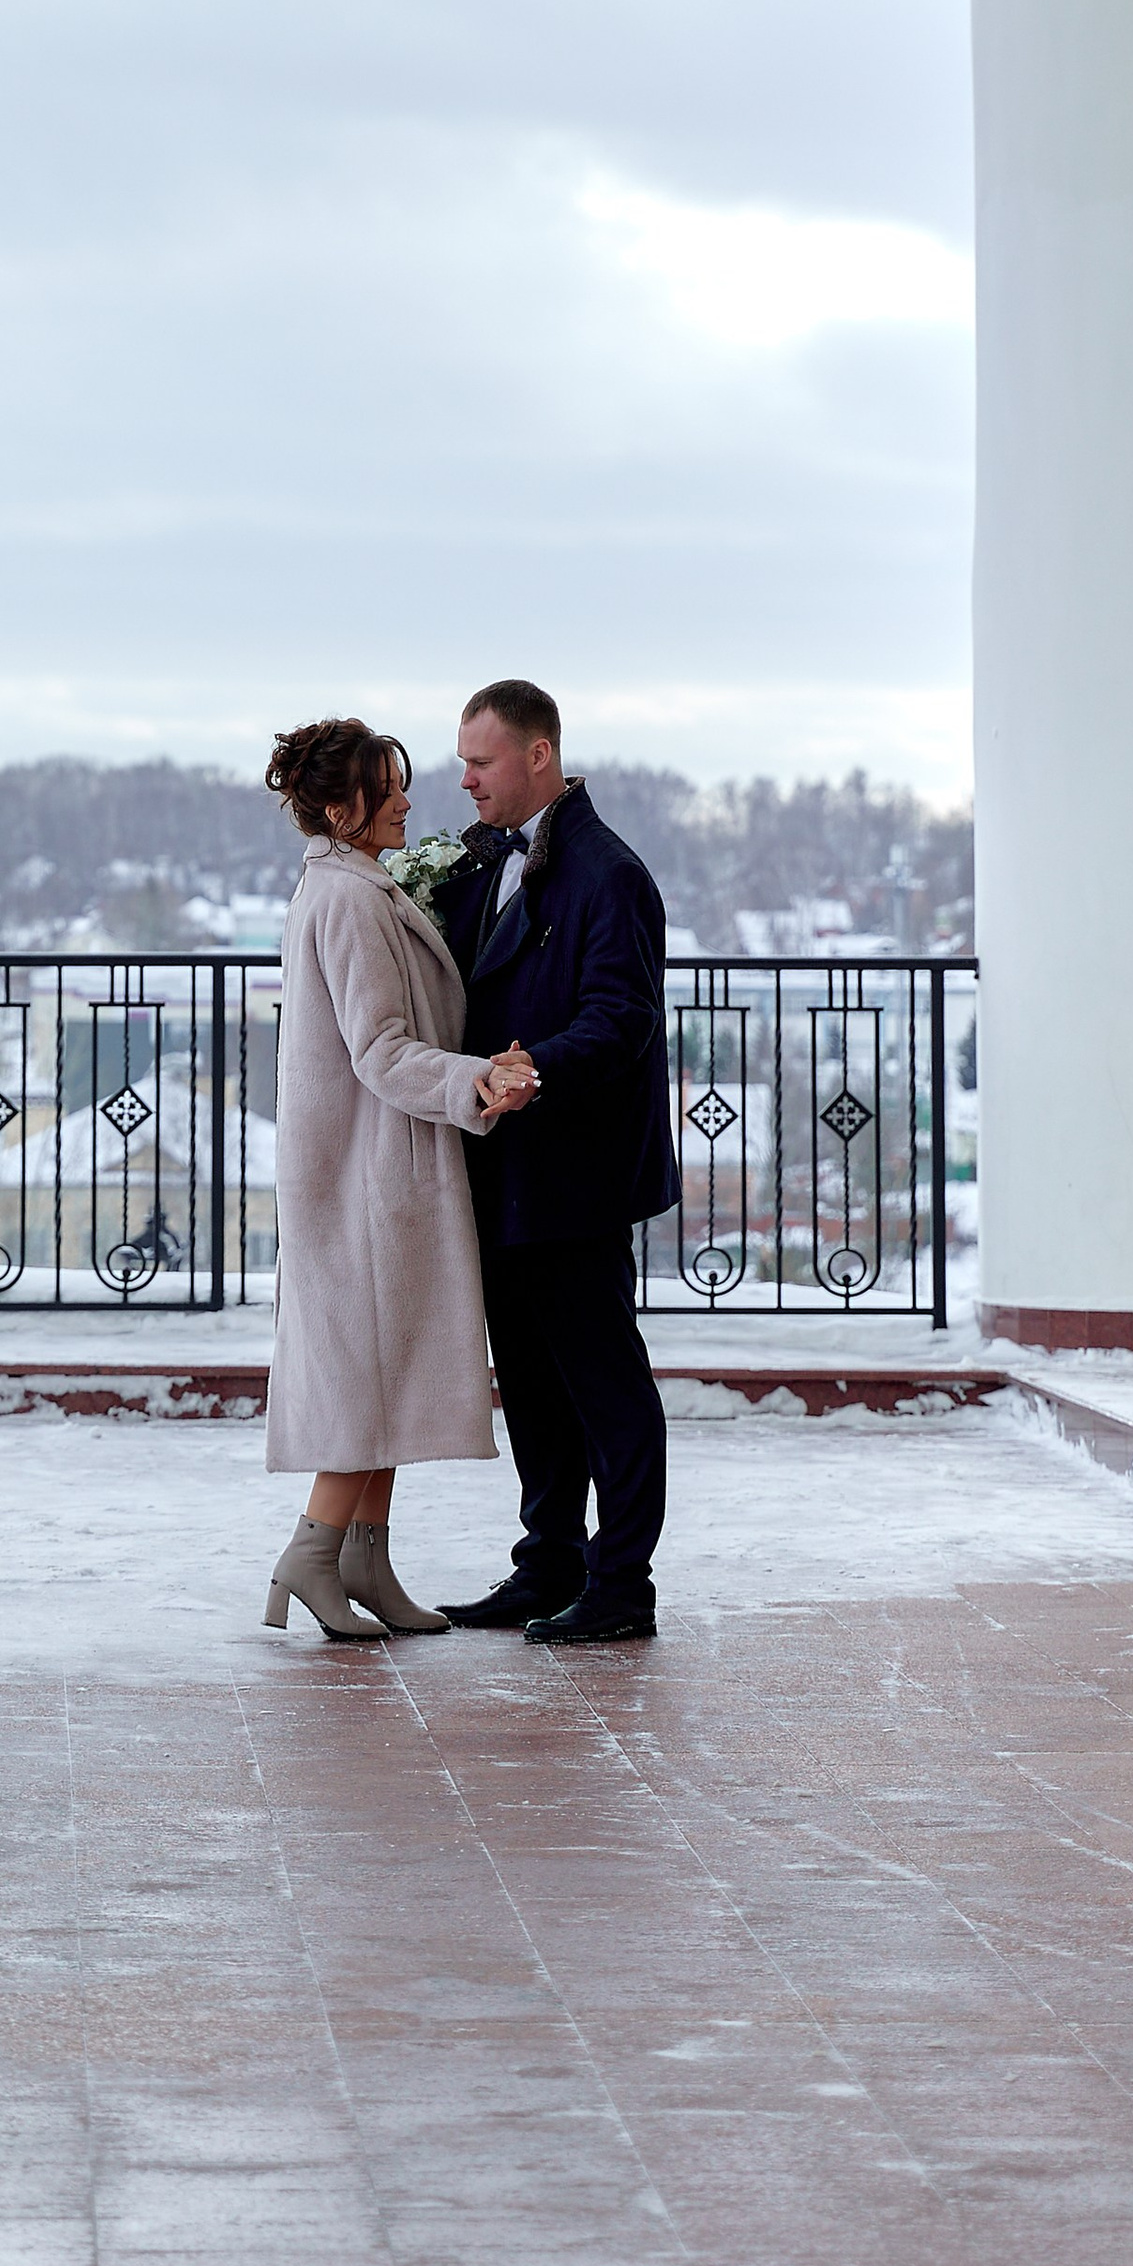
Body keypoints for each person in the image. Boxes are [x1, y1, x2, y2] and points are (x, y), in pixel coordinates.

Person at [259, 716, 539, 1643]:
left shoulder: (353, 884)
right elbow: (379, 1049)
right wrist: (476, 1081)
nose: (409, 801)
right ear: (344, 807)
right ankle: (312, 1552)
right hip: (364, 1177)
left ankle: (364, 1559)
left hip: (374, 1169)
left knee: (384, 1374)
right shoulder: (345, 899)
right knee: (364, 1379)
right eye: (389, 787)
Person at [438, 678, 678, 1645]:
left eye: (481, 762)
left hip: (572, 1173)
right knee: (530, 1379)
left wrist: (536, 1068)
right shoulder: (481, 859)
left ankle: (623, 1584)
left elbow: (621, 1018)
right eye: (462, 761)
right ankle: (549, 1565)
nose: (465, 780)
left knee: (602, 1381)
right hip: (503, 1167)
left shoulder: (608, 873)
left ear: (539, 756)